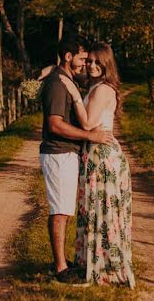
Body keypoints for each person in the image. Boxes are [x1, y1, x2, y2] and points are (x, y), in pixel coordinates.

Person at [58, 41, 135, 288]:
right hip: (95, 154)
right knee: (94, 209)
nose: (91, 65)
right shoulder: (96, 86)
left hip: (103, 156)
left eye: (96, 62)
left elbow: (89, 124)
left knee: (102, 210)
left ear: (106, 64)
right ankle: (91, 263)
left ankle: (104, 268)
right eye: (89, 61)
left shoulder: (102, 90)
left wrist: (72, 93)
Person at [39, 35, 113, 285]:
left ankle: (62, 262)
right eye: (83, 58)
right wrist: (89, 135)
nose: (85, 64)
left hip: (66, 153)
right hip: (58, 152)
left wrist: (50, 69)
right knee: (60, 211)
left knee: (65, 210)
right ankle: (61, 267)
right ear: (69, 57)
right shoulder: (59, 84)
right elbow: (55, 124)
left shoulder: (64, 78)